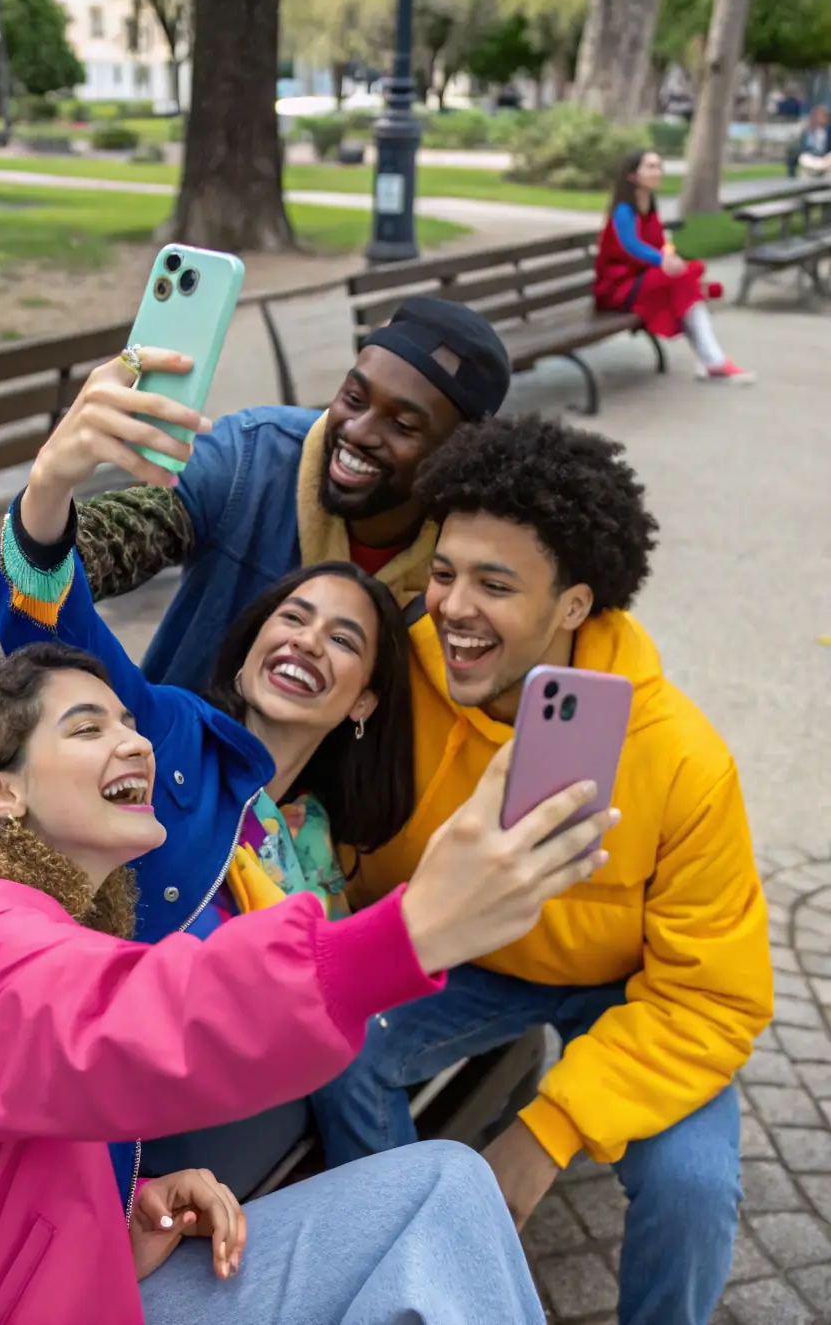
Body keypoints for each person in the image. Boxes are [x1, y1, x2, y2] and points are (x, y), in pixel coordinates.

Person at [0, 641, 617, 1325]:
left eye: (130, 722)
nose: (136, 743)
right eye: (88, 727)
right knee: (437, 1201)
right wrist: (407, 933)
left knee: (439, 1191)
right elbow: (143, 1018)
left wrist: (128, 1206)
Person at [310, 416, 774, 1325]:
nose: (451, 607)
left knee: (692, 1183)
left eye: (495, 584)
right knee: (341, 1039)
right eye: (444, 573)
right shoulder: (398, 677)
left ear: (573, 605)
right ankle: (418, 1259)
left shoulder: (680, 759)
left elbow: (715, 999)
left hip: (630, 987)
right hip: (466, 961)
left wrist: (544, 1133)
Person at [0, 355, 414, 934]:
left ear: (364, 700)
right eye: (293, 617)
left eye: (343, 638)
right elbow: (46, 630)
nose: (309, 641)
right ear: (249, 652)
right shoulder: (162, 734)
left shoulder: (311, 835)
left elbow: (332, 996)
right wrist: (51, 483)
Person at [46, 300, 511, 691]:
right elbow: (92, 552)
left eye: (402, 425)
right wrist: (49, 491)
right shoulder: (249, 459)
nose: (357, 430)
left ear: (455, 454)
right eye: (353, 397)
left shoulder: (464, 564)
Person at [593, 148, 753, 384]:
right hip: (618, 287)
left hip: (643, 279)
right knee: (685, 282)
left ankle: (713, 359)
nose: (657, 172)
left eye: (658, 166)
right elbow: (631, 245)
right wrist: (663, 261)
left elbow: (658, 243)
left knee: (688, 274)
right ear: (632, 175)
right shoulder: (624, 210)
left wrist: (670, 256)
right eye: (650, 167)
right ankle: (714, 361)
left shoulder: (650, 205)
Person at [791, 104, 831, 177]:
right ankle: (819, 169)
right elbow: (803, 146)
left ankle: (820, 168)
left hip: (825, 158)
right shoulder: (807, 131)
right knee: (803, 157)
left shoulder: (828, 131)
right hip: (812, 157)